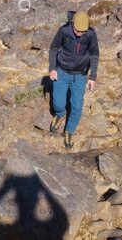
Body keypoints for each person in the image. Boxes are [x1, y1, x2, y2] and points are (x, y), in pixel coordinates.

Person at [48, 10, 99, 150]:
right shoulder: (64, 30)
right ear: (72, 24)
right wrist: (52, 68)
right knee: (58, 103)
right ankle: (59, 114)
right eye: (77, 30)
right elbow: (54, 48)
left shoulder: (91, 35)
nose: (79, 33)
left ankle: (69, 131)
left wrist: (92, 76)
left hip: (80, 76)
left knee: (76, 107)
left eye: (82, 31)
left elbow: (94, 55)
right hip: (62, 72)